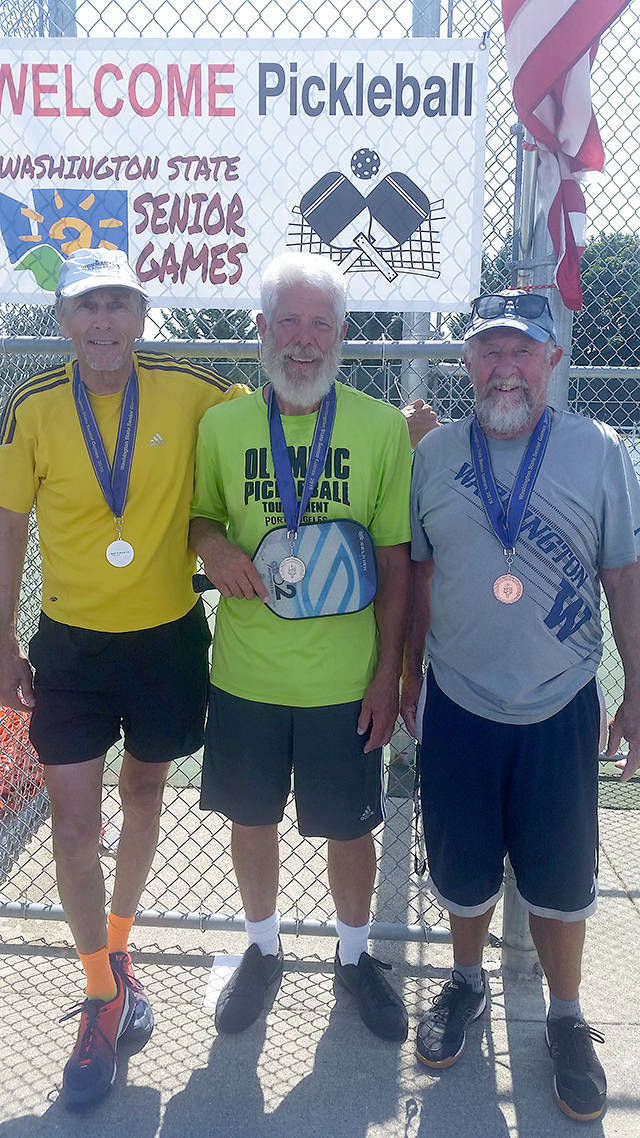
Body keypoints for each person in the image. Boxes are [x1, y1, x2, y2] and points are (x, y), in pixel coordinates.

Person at [0, 248, 247, 1109]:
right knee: (73, 826)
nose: (104, 322)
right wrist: (1, 640)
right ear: (63, 321)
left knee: (143, 795)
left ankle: (119, 944)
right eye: (87, 307)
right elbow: (9, 530)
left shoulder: (191, 387)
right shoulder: (30, 405)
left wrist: (393, 426)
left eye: (119, 305)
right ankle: (102, 1000)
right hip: (70, 648)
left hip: (167, 638)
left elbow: (278, 423)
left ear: (142, 316)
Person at [401, 290, 640, 1123]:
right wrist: (405, 678)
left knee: (563, 876)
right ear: (469, 364)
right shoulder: (433, 457)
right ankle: (465, 982)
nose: (506, 368)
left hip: (559, 703)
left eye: (522, 351)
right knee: (463, 865)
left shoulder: (598, 449)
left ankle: (566, 1019)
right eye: (489, 352)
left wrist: (639, 687)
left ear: (552, 361)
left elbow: (623, 576)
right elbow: (419, 578)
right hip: (458, 699)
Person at [189, 251, 411, 1042]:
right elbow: (202, 517)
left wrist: (389, 674)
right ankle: (262, 949)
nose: (305, 339)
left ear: (343, 335)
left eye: (321, 323)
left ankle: (355, 960)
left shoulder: (381, 427)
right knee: (251, 820)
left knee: (351, 827)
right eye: (290, 321)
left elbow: (394, 561)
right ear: (261, 329)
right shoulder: (222, 425)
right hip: (247, 675)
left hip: (344, 681)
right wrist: (210, 546)